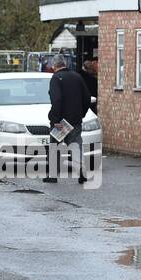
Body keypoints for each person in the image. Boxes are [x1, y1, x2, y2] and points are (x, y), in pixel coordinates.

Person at [46, 55, 91, 185]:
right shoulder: (77, 76)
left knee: (55, 146)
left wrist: (55, 120)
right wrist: (81, 114)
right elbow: (87, 97)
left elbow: (57, 100)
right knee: (76, 146)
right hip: (75, 120)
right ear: (65, 63)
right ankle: (81, 172)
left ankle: (53, 176)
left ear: (54, 65)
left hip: (61, 122)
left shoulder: (56, 78)